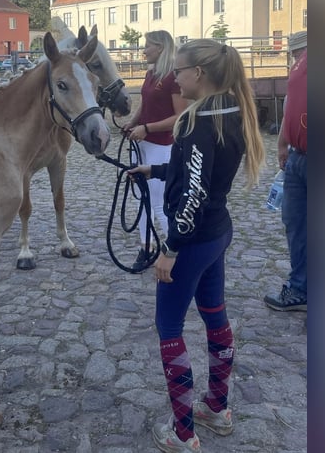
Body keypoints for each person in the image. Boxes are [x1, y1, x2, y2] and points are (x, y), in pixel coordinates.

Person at [128, 39, 265, 452]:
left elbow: (192, 195)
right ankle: (217, 407)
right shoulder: (233, 113)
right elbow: (198, 172)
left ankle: (183, 432)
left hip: (191, 241)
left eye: (180, 71)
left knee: (169, 327)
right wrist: (154, 169)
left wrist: (170, 249)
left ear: (199, 75)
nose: (175, 77)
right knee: (214, 315)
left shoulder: (193, 122)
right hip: (218, 235)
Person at [122, 30, 188, 271]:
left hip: (162, 145)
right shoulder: (151, 74)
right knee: (143, 200)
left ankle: (177, 250)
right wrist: (133, 122)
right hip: (144, 143)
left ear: (160, 48)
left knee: (158, 203)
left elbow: (179, 116)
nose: (144, 49)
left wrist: (147, 128)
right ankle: (146, 247)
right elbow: (145, 103)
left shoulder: (172, 77)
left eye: (148, 46)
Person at [264, 30, 307, 312]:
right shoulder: (300, 64)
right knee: (295, 224)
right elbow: (291, 103)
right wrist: (282, 142)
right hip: (298, 156)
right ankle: (300, 288)